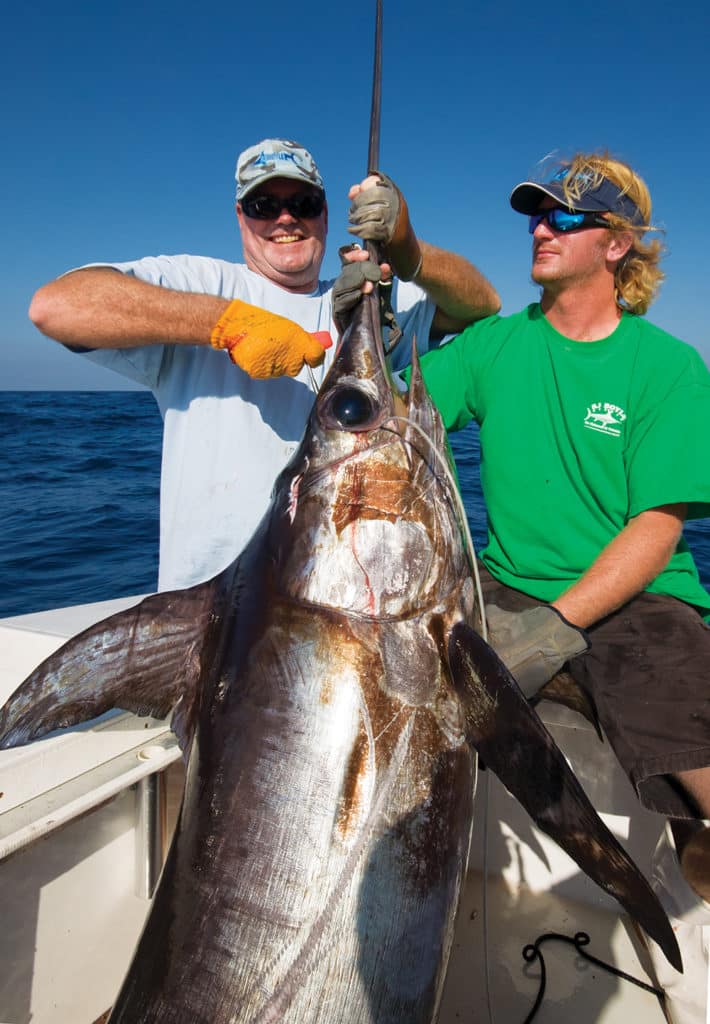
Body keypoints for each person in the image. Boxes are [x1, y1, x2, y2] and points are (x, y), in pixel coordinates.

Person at [413, 152, 710, 1024]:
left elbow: (656, 529)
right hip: (504, 584)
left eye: (565, 218)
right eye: (536, 216)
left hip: (634, 588)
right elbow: (394, 412)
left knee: (673, 695)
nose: (541, 229)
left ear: (617, 245)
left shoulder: (669, 367)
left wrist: (554, 630)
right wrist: (363, 307)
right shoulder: (494, 347)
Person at [28, 138, 500, 592]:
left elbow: (482, 304)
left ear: (326, 211)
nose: (286, 218)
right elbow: (57, 307)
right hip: (212, 607)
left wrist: (409, 250)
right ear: (240, 216)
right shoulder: (202, 283)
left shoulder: (372, 298)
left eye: (304, 202)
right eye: (263, 206)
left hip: (351, 594)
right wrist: (228, 324)